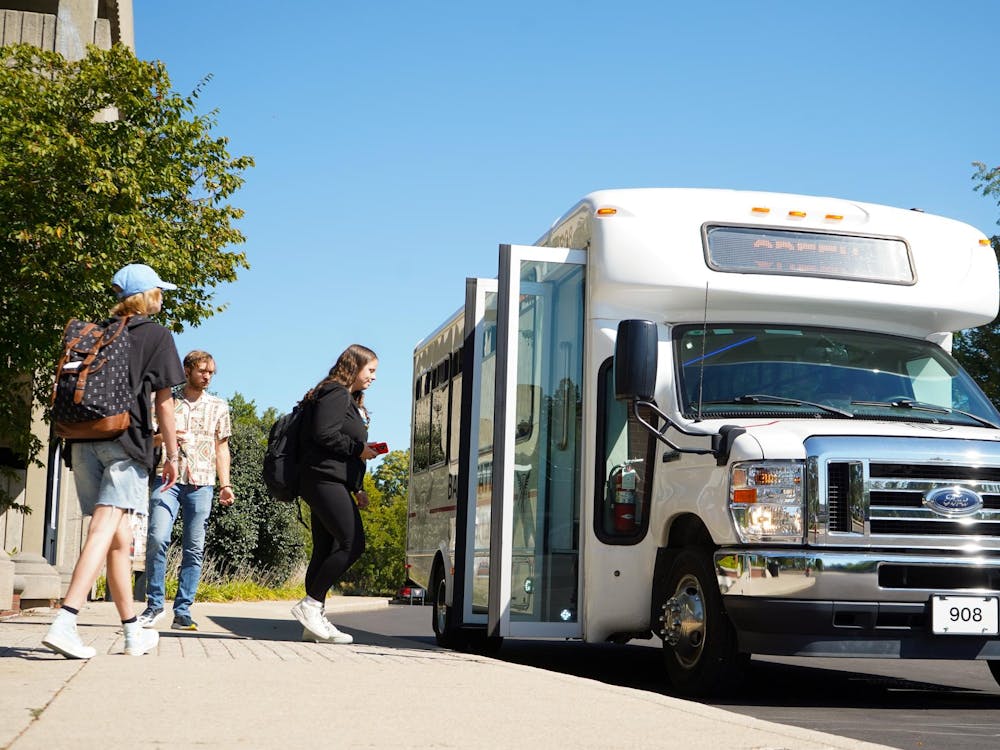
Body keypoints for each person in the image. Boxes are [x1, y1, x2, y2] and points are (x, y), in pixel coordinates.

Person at [43, 263, 184, 659]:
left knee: (117, 541)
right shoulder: (156, 335)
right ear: (149, 296)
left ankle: (131, 631)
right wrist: (171, 455)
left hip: (84, 439)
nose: (162, 297)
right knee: (106, 529)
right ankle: (66, 619)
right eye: (160, 291)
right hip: (126, 442)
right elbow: (164, 403)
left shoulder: (101, 332)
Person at [138, 350, 234, 631]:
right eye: (202, 371)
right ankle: (154, 606)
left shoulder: (219, 406)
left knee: (194, 548)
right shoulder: (165, 401)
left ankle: (183, 611)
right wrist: (165, 438)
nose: (207, 376)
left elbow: (222, 448)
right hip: (166, 479)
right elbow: (147, 441)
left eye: (211, 372)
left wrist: (226, 484)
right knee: (157, 537)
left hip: (202, 483)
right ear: (188, 370)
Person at [290, 344, 380, 644]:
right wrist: (359, 449)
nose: (374, 377)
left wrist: (357, 487)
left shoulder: (349, 399)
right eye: (371, 370)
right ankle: (311, 605)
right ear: (353, 367)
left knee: (326, 548)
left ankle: (313, 622)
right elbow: (324, 434)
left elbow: (340, 444)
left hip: (333, 480)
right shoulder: (335, 393)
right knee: (352, 543)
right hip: (321, 479)